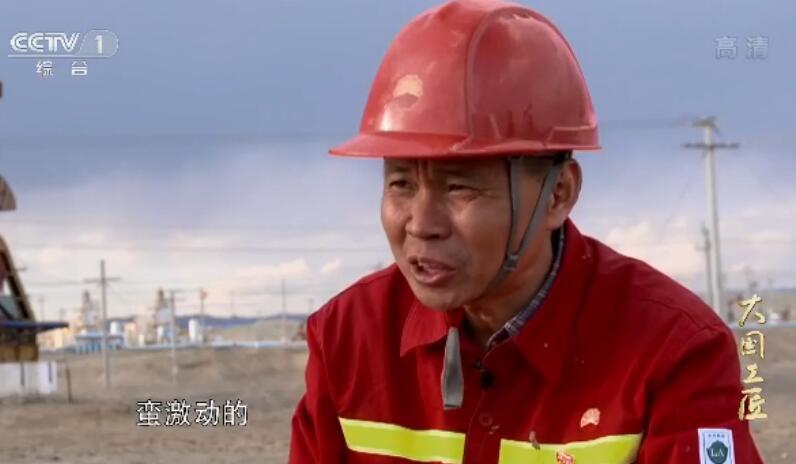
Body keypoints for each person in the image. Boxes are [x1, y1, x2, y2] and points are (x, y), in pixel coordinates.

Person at [289, 1, 764, 462]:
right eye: (400, 184)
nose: (421, 224)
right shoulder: (348, 339)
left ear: (558, 193)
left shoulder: (674, 351)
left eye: (458, 188)